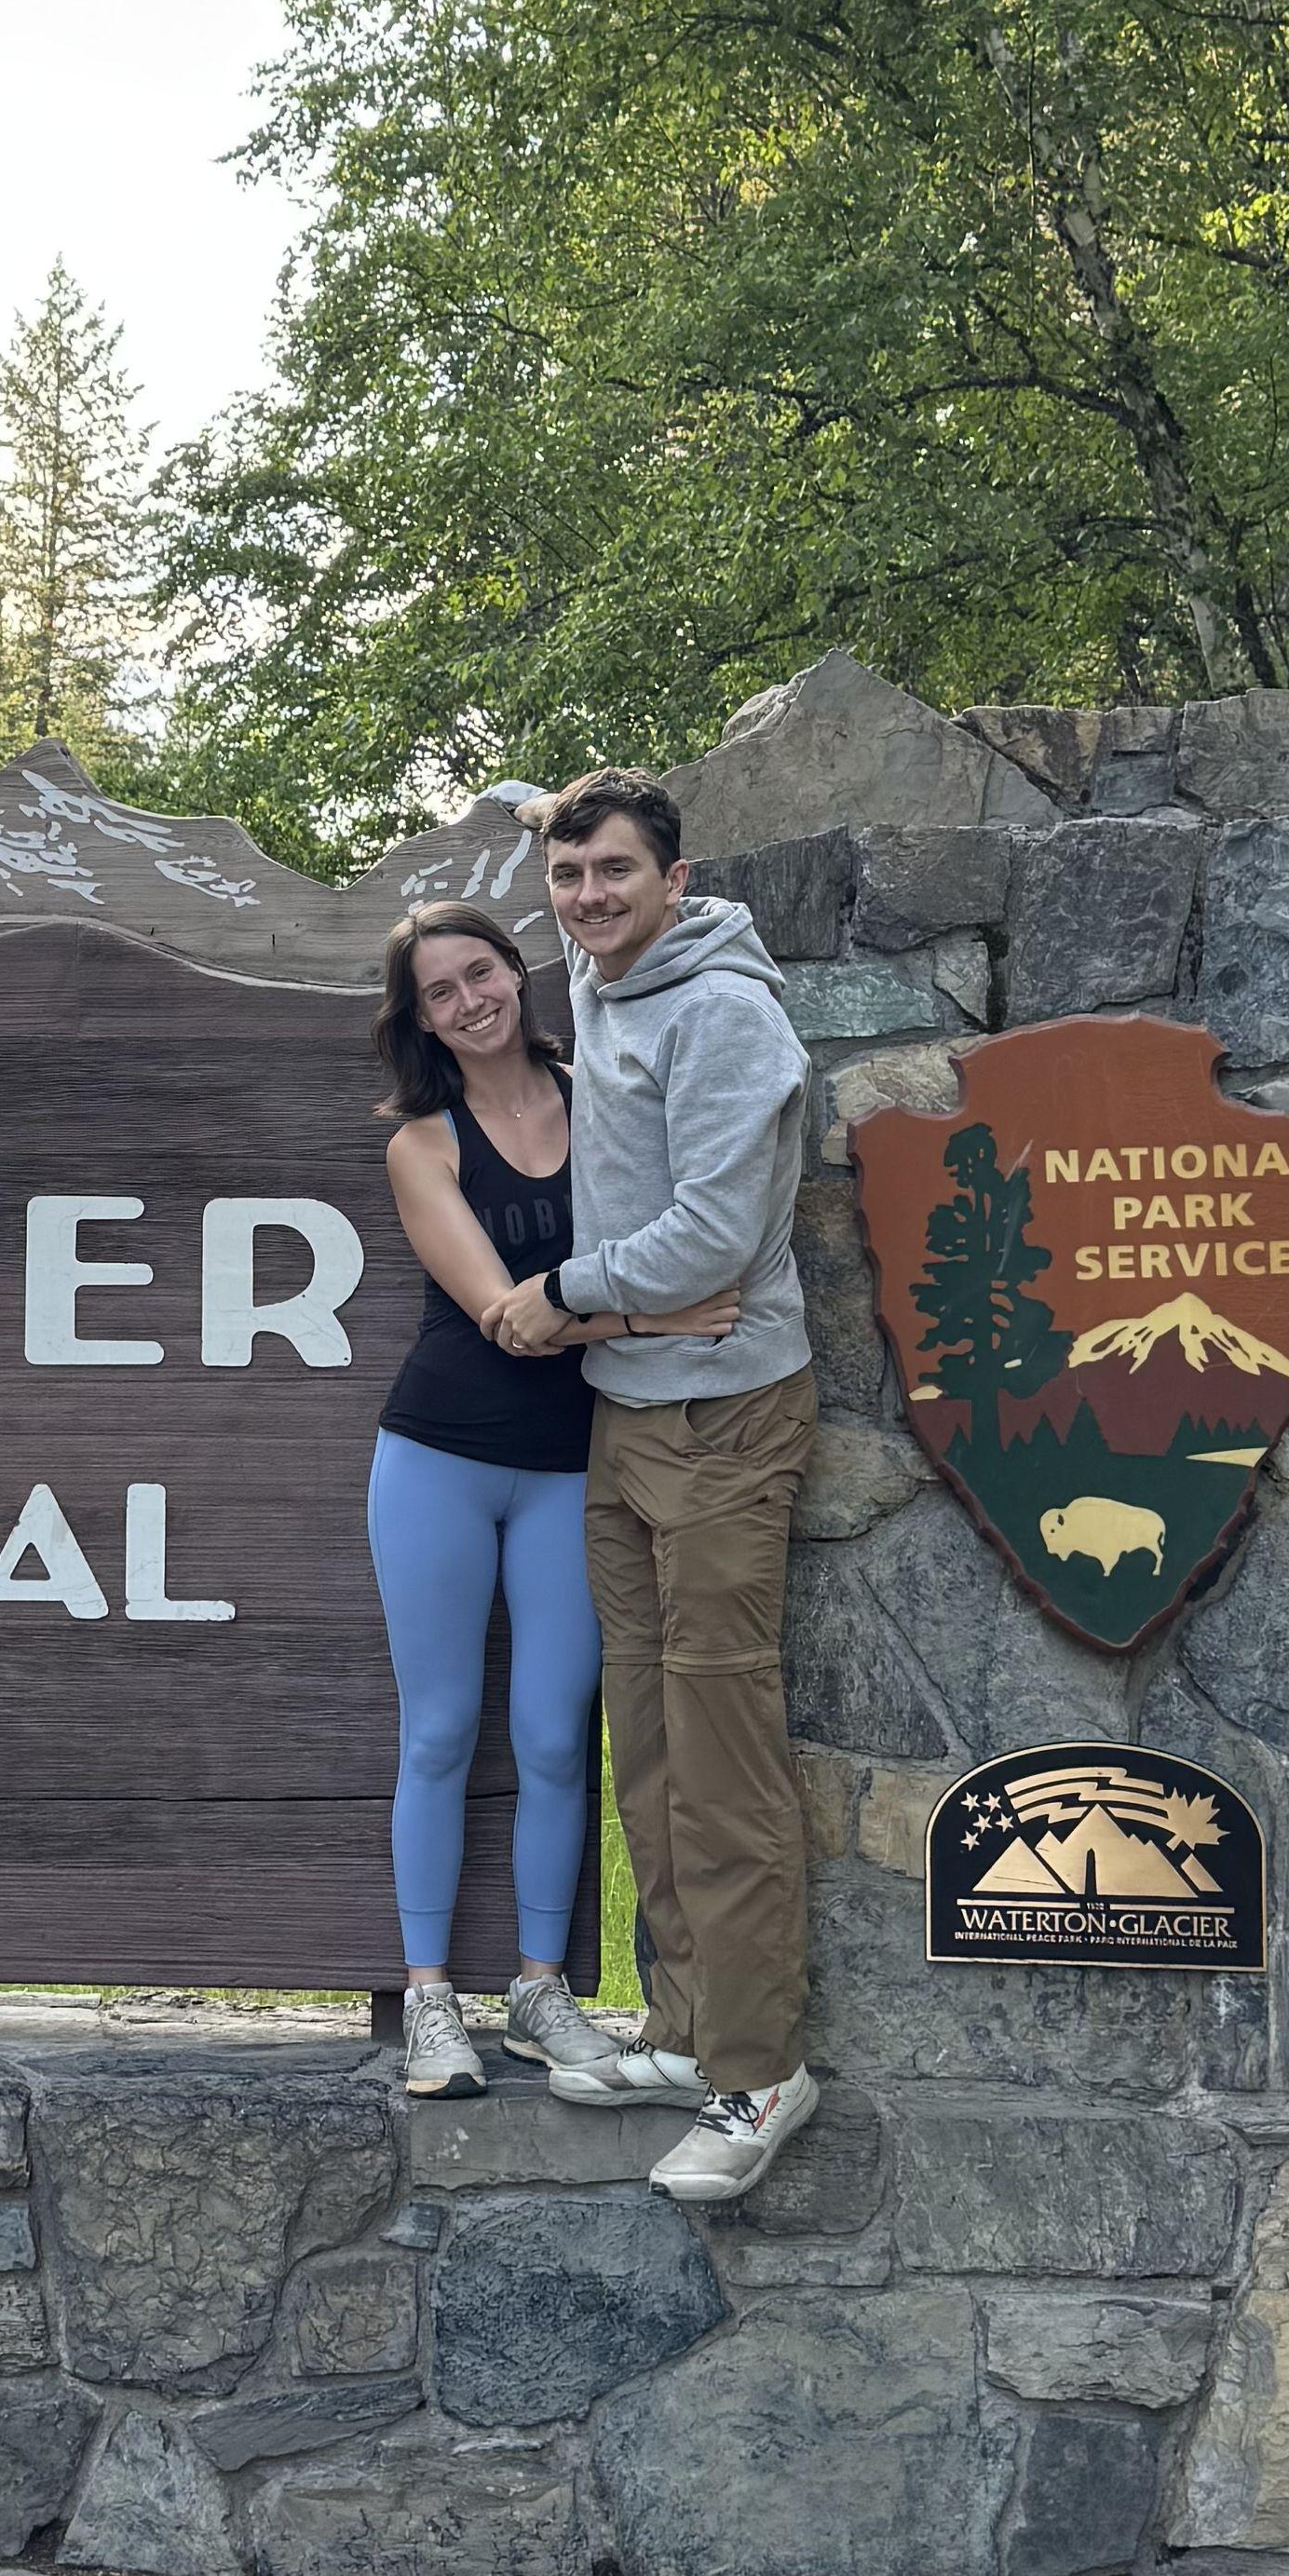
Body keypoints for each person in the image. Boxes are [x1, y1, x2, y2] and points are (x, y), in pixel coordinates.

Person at [484, 769, 823, 2203]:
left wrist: (563, 1296)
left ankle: (759, 2073)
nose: (587, 898)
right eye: (567, 876)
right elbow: (567, 853)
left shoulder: (724, 1015)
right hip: (628, 1416)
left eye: (615, 872)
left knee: (724, 1754)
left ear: (678, 881)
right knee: (653, 1745)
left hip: (724, 1416)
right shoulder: (608, 970)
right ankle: (684, 2030)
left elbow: (712, 1238)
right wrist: (543, 809)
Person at [362, 906, 731, 2100]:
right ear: (421, 1021)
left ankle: (536, 1992)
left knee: (558, 1737)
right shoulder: (422, 1145)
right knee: (438, 1731)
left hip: (578, 1462)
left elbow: (679, 1227)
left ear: (517, 975)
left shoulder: (602, 1098)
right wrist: (660, 1319)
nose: (469, 1001)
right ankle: (431, 2001)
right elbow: (506, 1319)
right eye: (440, 992)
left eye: (481, 973)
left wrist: (651, 1304)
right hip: (439, 1457)